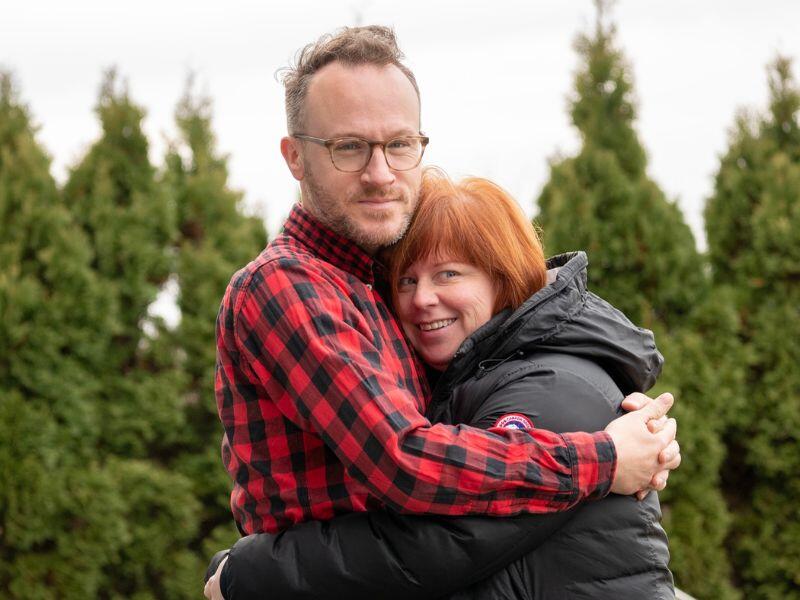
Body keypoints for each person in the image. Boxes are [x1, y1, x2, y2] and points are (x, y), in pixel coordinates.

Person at [206, 25, 679, 598]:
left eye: (400, 145)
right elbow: (405, 460)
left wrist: (633, 438)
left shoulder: (376, 283)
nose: (380, 173)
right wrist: (603, 457)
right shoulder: (288, 285)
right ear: (295, 157)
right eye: (349, 147)